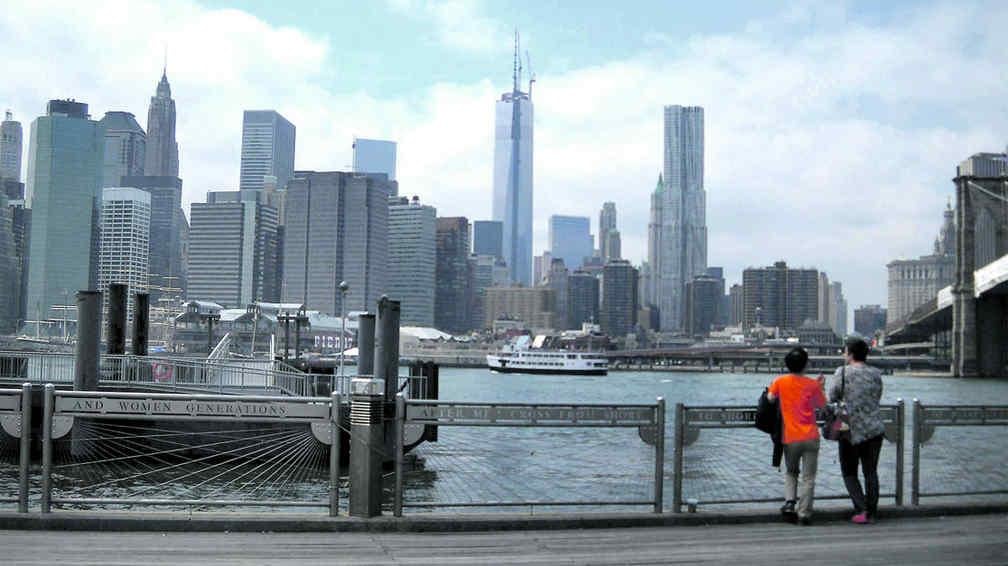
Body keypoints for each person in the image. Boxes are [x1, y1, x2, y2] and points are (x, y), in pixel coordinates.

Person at [767, 347, 826, 526]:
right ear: (805, 365)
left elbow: (770, 398)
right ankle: (804, 513)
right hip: (810, 436)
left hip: (790, 437)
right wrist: (821, 387)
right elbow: (822, 405)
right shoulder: (812, 384)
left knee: (791, 472)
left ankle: (790, 503)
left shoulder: (780, 381)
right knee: (809, 477)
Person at [831, 335, 884, 525]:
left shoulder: (842, 372)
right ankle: (872, 511)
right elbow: (877, 396)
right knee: (871, 471)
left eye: (845, 351)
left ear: (850, 354)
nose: (844, 354)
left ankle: (861, 509)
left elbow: (833, 396)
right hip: (874, 428)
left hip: (849, 429)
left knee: (849, 472)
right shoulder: (876, 373)